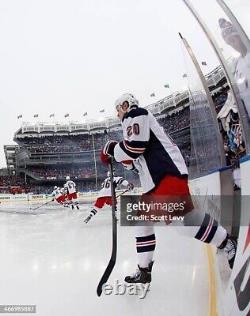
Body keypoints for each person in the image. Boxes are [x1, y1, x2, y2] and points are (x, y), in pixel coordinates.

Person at [100, 93, 237, 284]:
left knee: (184, 223)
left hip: (165, 175)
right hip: (154, 182)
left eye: (118, 109)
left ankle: (226, 241)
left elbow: (135, 147)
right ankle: (144, 269)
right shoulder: (133, 126)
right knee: (141, 221)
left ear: (125, 104)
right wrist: (116, 153)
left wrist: (111, 149)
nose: (117, 115)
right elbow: (134, 161)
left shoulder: (135, 113)